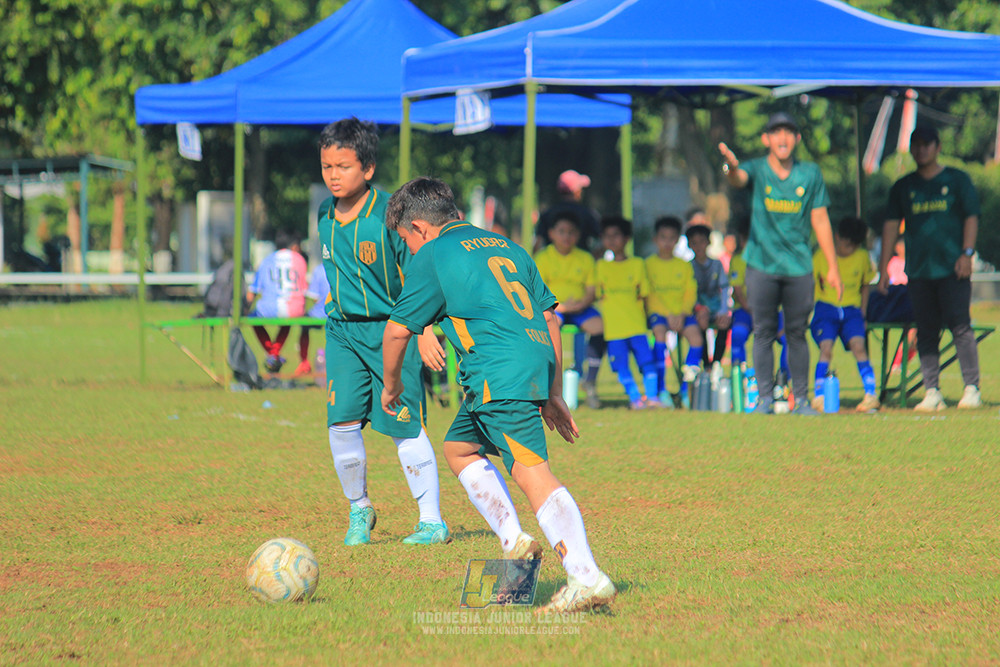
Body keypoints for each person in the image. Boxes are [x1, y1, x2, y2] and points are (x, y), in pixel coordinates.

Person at [380, 176, 616, 614]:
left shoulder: (433, 252)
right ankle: (514, 541)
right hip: (524, 366)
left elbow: (396, 332)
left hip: (495, 374)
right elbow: (551, 319)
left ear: (419, 228)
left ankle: (587, 577)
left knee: (531, 472)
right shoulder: (506, 245)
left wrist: (391, 386)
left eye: (405, 242)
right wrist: (553, 391)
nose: (409, 251)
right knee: (458, 449)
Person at [316, 118, 448, 546]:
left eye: (343, 166)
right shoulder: (323, 214)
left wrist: (425, 328)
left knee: (403, 424)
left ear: (368, 168)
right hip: (342, 334)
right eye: (327, 167)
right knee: (341, 424)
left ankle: (432, 522)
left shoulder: (391, 216)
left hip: (392, 332)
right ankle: (360, 510)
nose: (334, 175)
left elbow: (420, 274)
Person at [719, 111, 842, 415]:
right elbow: (738, 178)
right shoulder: (758, 169)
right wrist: (730, 167)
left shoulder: (810, 173)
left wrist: (833, 266)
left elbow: (820, 218)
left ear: (797, 139)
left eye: (789, 132)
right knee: (763, 331)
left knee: (797, 333)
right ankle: (764, 400)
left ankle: (800, 399)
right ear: (766, 139)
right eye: (776, 132)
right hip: (761, 265)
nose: (783, 138)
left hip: (799, 267)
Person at [878, 125, 982, 411]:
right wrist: (884, 266)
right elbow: (889, 226)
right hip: (919, 270)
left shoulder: (956, 180)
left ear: (937, 147)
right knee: (925, 330)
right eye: (916, 144)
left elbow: (972, 217)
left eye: (926, 144)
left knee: (960, 326)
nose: (921, 149)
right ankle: (931, 391)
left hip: (953, 268)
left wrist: (967, 253)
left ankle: (971, 388)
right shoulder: (904, 186)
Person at [533, 211, 605, 409]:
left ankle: (589, 381)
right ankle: (546, 384)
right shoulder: (543, 257)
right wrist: (561, 306)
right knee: (549, 326)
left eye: (571, 232)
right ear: (551, 233)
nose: (566, 236)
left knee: (600, 327)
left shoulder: (586, 258)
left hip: (581, 308)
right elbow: (538, 291)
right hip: (554, 308)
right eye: (561, 231)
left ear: (578, 235)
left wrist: (581, 304)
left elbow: (592, 289)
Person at [809, 216, 879, 413]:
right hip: (826, 308)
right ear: (837, 237)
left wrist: (863, 311)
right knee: (826, 348)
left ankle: (870, 394)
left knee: (859, 346)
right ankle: (819, 395)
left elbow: (866, 285)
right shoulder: (821, 256)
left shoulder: (862, 257)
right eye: (846, 245)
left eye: (853, 246)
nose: (849, 250)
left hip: (851, 310)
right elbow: (811, 283)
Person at [595, 215, 662, 409]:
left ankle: (652, 397)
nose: (611, 240)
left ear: (626, 239)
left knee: (646, 362)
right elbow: (598, 294)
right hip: (613, 329)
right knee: (620, 366)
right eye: (607, 236)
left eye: (616, 235)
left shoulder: (637, 264)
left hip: (636, 326)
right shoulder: (600, 266)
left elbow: (644, 294)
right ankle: (635, 398)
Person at [644, 215, 703, 404]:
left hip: (681, 314)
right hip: (659, 315)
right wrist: (667, 314)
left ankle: (686, 389)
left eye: (672, 238)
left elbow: (690, 292)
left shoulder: (684, 266)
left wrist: (683, 312)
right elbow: (649, 294)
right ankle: (661, 390)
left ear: (678, 240)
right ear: (655, 239)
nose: (667, 242)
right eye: (663, 237)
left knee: (696, 338)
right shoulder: (648, 264)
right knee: (659, 335)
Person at [728, 220, 790, 376]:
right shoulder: (737, 260)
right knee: (738, 335)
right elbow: (738, 291)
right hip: (745, 310)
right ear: (742, 241)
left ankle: (783, 381)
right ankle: (739, 378)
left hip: (770, 312)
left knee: (790, 339)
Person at [246, 229, 309, 375]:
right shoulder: (299, 259)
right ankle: (275, 353)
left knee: (252, 318)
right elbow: (303, 290)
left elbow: (254, 290)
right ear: (293, 246)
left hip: (269, 307)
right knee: (288, 319)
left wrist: (246, 307)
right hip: (294, 309)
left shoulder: (267, 260)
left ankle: (272, 354)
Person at [687, 223, 732, 367]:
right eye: (694, 243)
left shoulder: (716, 264)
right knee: (702, 320)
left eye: (701, 242)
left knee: (724, 322)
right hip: (698, 308)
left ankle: (717, 362)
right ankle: (706, 364)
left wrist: (723, 310)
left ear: (708, 242)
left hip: (715, 306)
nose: (698, 246)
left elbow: (724, 287)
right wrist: (697, 307)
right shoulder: (688, 266)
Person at [534, 169, 602, 254]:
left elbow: (538, 243)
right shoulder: (588, 214)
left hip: (553, 264)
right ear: (577, 191)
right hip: (581, 264)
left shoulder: (548, 213)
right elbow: (602, 239)